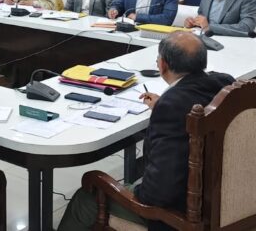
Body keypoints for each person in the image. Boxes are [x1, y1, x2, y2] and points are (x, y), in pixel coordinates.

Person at [58, 32, 234, 231]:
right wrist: (165, 102)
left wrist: (134, 191)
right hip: (226, 199)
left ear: (163, 65)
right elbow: (193, 106)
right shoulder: (224, 84)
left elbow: (158, 194)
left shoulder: (172, 106)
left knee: (86, 197)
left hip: (182, 215)